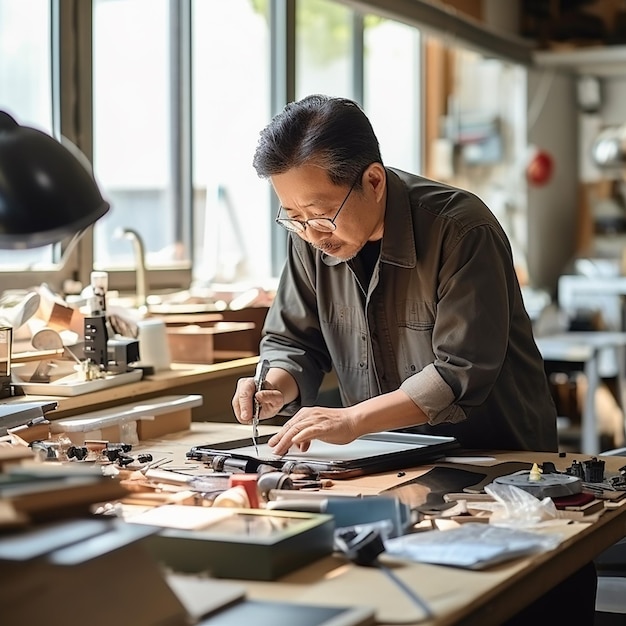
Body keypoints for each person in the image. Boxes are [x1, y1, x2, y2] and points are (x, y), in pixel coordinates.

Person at [232, 93, 558, 457]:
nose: (311, 233)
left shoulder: (462, 230)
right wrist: (273, 388)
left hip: (495, 459)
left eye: (320, 213)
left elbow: (459, 373)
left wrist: (353, 420)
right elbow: (295, 341)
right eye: (293, 217)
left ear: (373, 182)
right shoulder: (310, 237)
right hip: (382, 457)